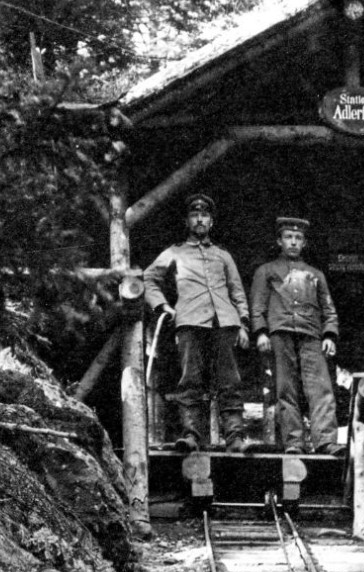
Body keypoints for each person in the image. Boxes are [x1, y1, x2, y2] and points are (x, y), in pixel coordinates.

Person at [143, 193, 250, 453]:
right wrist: (163, 305)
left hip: (224, 323)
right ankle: (192, 436)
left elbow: (237, 291)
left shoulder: (223, 255)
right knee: (190, 380)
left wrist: (243, 323)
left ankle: (234, 438)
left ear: (211, 222)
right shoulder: (174, 253)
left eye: (204, 215)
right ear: (187, 221)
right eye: (194, 215)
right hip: (190, 321)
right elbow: (147, 279)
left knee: (229, 381)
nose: (200, 219)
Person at [249, 217, 342, 455]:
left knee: (320, 388)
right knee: (285, 389)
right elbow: (257, 305)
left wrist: (329, 334)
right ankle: (293, 443)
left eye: (298, 238)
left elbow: (329, 308)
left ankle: (326, 441)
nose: (293, 242)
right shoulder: (266, 271)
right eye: (288, 237)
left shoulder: (315, 274)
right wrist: (261, 332)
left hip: (311, 334)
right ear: (279, 241)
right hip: (280, 334)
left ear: (304, 243)